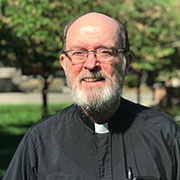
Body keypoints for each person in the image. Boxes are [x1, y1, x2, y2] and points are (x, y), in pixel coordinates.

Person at [2, 12, 180, 180]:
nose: (91, 64)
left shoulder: (166, 137)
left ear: (127, 62)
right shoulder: (39, 141)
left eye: (105, 52)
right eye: (78, 53)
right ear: (64, 64)